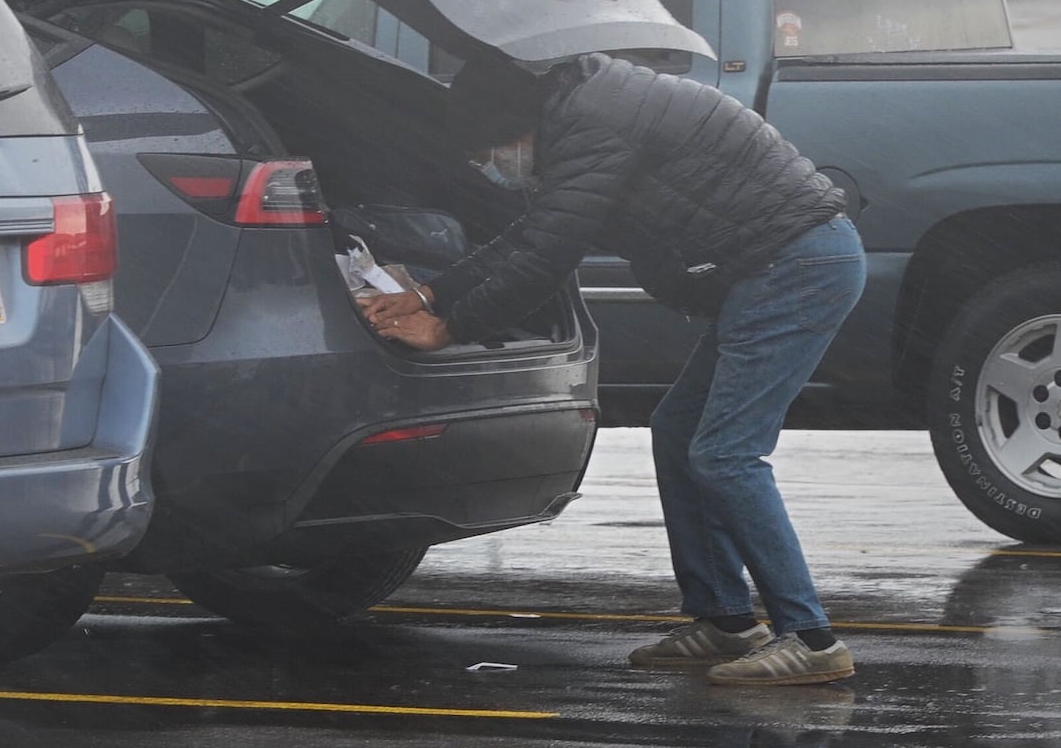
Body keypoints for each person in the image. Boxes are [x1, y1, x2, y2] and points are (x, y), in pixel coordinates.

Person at [362, 52, 865, 686]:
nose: (497, 165)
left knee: (726, 454)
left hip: (794, 267)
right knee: (679, 431)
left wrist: (450, 329)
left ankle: (813, 639)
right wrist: (432, 293)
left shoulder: (594, 123)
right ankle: (727, 622)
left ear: (517, 122)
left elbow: (546, 256)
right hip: (777, 265)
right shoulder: (584, 108)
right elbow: (530, 234)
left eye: (493, 149)